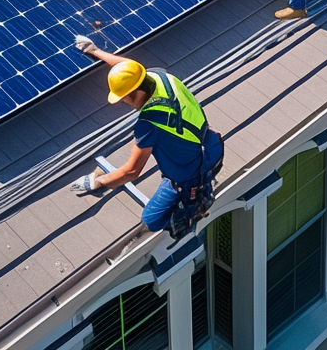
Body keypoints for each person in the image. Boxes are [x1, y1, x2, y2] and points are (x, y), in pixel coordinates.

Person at [70, 39, 224, 238]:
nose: (123, 101)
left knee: (152, 220)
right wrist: (95, 51)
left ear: (138, 91)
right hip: (212, 146)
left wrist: (99, 184)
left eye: (124, 96)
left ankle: (195, 209)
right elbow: (129, 68)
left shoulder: (150, 123)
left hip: (190, 177)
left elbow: (132, 171)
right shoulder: (161, 77)